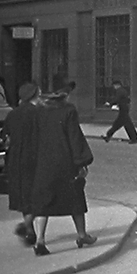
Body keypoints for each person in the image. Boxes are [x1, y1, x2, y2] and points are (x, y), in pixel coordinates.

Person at [29, 81, 95, 255]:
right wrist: (82, 161)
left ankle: (40, 241)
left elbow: (33, 138)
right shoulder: (69, 111)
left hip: (44, 163)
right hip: (66, 163)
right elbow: (75, 138)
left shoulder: (38, 112)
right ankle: (82, 235)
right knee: (75, 199)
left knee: (44, 201)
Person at [4, 81, 41, 246]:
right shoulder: (38, 113)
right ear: (36, 95)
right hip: (34, 158)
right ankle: (26, 225)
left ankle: (30, 232)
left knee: (24, 195)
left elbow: (6, 138)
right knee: (41, 194)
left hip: (16, 159)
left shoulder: (13, 114)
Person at [102, 79, 137, 143]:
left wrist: (110, 103)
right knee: (122, 124)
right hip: (124, 108)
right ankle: (134, 138)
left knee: (121, 124)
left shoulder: (119, 91)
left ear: (117, 85)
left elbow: (117, 99)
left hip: (123, 109)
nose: (114, 87)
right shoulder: (123, 90)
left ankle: (134, 138)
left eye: (114, 86)